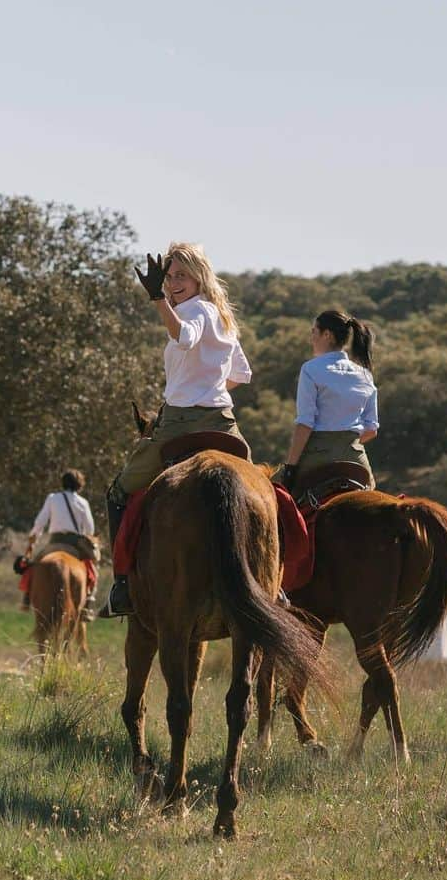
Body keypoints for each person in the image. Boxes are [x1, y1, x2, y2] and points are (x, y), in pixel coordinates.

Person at [102, 243, 253, 616]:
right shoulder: (223, 317)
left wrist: (157, 300)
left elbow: (184, 336)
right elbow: (241, 375)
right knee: (264, 489)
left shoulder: (194, 310)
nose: (172, 283)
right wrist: (207, 386)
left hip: (180, 424)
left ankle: (122, 584)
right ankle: (273, 582)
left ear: (200, 276)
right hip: (223, 422)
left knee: (119, 491)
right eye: (168, 278)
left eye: (180, 275)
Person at [274, 309, 378, 492]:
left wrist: (290, 467)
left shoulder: (310, 369)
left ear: (327, 335)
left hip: (318, 456)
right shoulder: (365, 374)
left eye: (314, 331)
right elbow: (371, 429)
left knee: (275, 493)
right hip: (355, 457)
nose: (311, 338)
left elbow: (305, 423)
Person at [23, 469, 100, 617]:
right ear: (79, 485)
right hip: (75, 543)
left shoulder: (52, 498)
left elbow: (40, 522)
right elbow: (90, 529)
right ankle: (88, 603)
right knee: (93, 571)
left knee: (33, 567)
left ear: (63, 483)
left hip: (55, 542)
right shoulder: (83, 502)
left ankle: (26, 598)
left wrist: (33, 538)